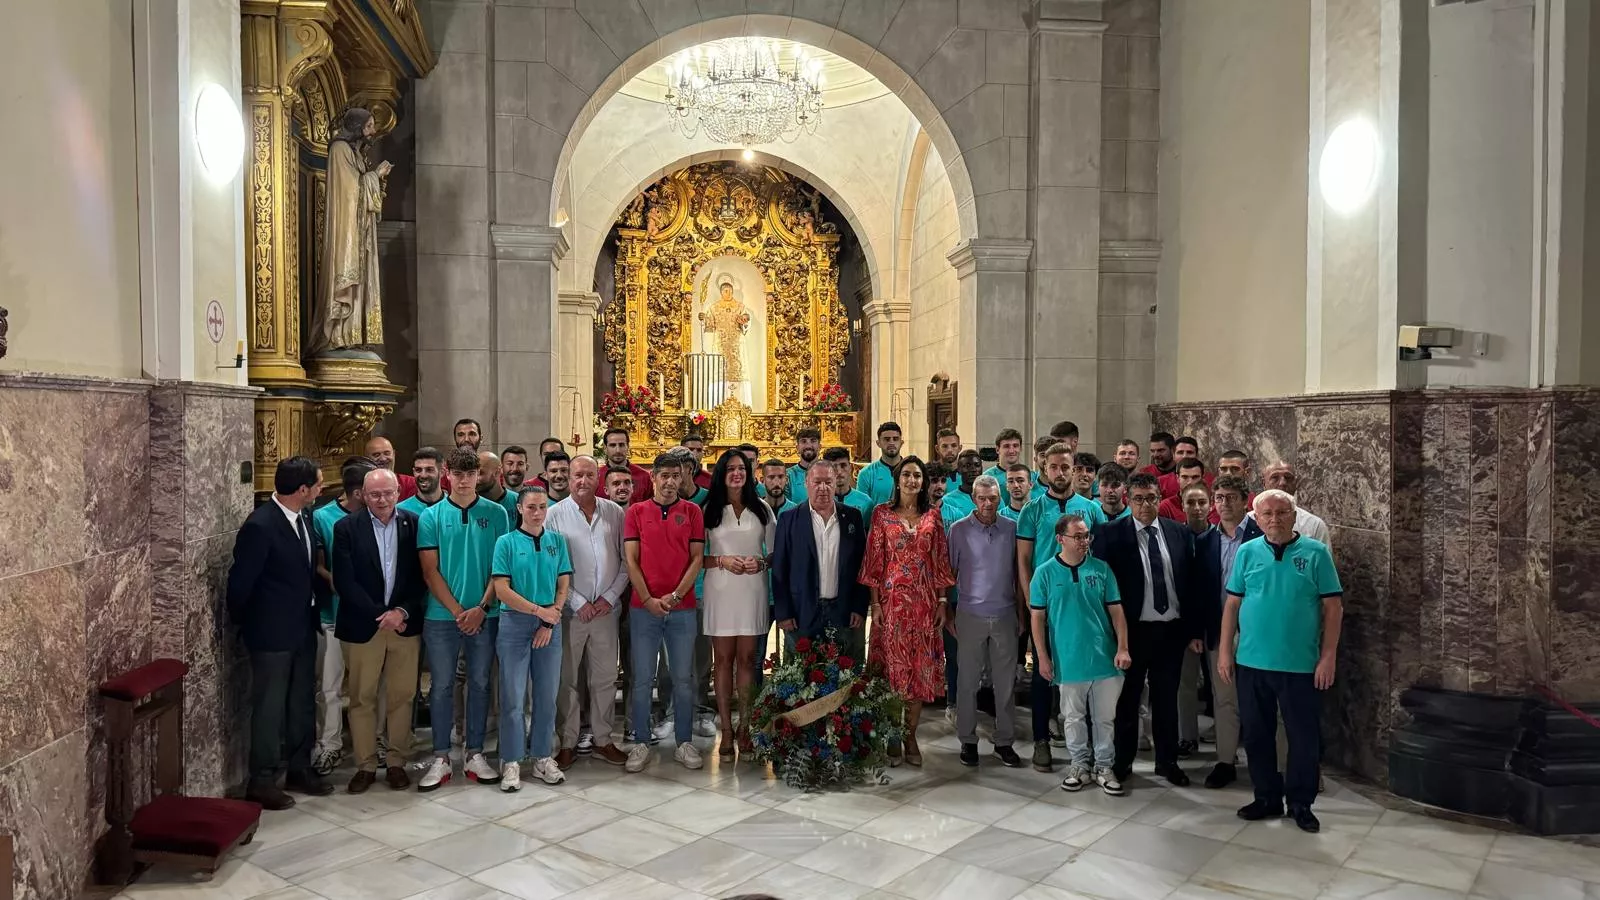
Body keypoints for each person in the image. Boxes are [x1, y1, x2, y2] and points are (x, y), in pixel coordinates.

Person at [1218, 489, 1344, 833]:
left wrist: (1328, 657)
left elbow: (1333, 608)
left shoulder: (1316, 554)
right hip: (1252, 662)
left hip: (1300, 665)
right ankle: (1266, 797)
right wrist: (1226, 651)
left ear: (1294, 516)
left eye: (1282, 512)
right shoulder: (1247, 552)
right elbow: (1232, 604)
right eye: (1267, 514)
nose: (1274, 519)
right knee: (1256, 735)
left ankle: (1301, 803)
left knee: (1303, 738)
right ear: (1257, 519)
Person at [226, 456, 331, 809]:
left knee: (301, 700)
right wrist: (249, 624)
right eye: (318, 484)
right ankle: (262, 779)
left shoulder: (305, 517)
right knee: (270, 707)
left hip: (302, 626)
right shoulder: (261, 525)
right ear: (302, 489)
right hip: (271, 633)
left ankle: (299, 767)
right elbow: (240, 584)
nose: (321, 489)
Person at [1092, 472, 1203, 787]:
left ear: (1160, 498)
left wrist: (1193, 629)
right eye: (1138, 499)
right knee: (1128, 699)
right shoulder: (1110, 534)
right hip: (1132, 632)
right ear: (1128, 500)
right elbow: (1102, 588)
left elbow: (1191, 583)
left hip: (1171, 631)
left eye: (1151, 498)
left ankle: (1167, 762)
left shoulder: (1179, 532)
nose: (1145, 505)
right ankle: (1122, 762)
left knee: (1167, 699)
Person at [416, 448, 510, 791]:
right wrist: (459, 612)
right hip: (443, 616)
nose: (465, 480)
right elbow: (430, 571)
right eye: (458, 474)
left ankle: (474, 753)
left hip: (486, 613)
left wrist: (481, 608)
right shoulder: (432, 516)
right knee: (441, 685)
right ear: (448, 474)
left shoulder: (497, 513)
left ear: (479, 476)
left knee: (481, 683)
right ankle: (441, 756)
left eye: (471, 474)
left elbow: (501, 568)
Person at [332, 468, 426, 793]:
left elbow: (422, 576)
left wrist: (401, 612)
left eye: (387, 493)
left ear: (398, 492)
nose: (382, 500)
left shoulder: (414, 524)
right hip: (363, 626)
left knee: (403, 695)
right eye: (375, 494)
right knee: (362, 697)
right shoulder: (346, 528)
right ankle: (366, 765)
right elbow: (345, 581)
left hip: (404, 625)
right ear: (363, 495)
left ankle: (397, 762)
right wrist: (380, 615)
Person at [861, 456, 955, 767]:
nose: (912, 480)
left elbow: (940, 560)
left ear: (923, 481)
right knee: (893, 670)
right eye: (907, 475)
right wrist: (876, 604)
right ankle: (892, 734)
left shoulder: (933, 516)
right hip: (891, 605)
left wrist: (942, 602)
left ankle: (910, 735)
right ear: (897, 480)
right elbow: (873, 562)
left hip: (925, 605)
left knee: (918, 670)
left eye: (917, 475)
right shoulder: (882, 514)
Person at [1029, 514, 1131, 795]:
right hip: (1068, 658)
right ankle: (1079, 765)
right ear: (1060, 539)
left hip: (1103, 657)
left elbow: (1117, 611)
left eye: (1087, 535)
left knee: (1104, 718)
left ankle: (1104, 766)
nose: (1084, 541)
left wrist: (1123, 647)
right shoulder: (1045, 573)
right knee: (1072, 717)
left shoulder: (1101, 569)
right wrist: (1043, 657)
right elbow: (1037, 618)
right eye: (1078, 536)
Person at [622, 454, 706, 772]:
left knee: (683, 678)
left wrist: (676, 595)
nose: (670, 481)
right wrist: (647, 599)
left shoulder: (693, 511)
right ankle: (641, 742)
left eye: (676, 475)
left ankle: (684, 742)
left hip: (682, 608)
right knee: (643, 677)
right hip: (644, 608)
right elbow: (631, 560)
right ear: (653, 477)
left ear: (682, 477)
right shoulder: (637, 512)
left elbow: (696, 558)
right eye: (665, 475)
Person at [549, 456, 630, 768]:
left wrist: (609, 597)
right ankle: (568, 741)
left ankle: (603, 739)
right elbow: (551, 566)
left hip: (606, 610)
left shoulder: (614, 513)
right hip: (572, 612)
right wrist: (577, 601)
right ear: (569, 478)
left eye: (589, 475)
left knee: (605, 677)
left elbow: (627, 561)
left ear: (599, 478)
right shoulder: (555, 515)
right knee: (567, 678)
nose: (583, 481)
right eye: (577, 475)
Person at [490, 485, 573, 790]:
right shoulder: (506, 543)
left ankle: (541, 756)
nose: (537, 513)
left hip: (550, 623)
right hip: (515, 623)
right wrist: (539, 612)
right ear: (520, 509)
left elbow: (563, 583)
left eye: (542, 507)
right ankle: (511, 760)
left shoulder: (556, 541)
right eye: (531, 507)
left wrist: (551, 617)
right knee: (513, 696)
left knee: (546, 695)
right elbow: (502, 589)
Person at [700, 449, 776, 761]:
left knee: (747, 660)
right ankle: (727, 729)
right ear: (721, 473)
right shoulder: (709, 509)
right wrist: (722, 560)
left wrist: (762, 563)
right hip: (720, 590)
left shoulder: (762, 509)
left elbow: (775, 552)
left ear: (749, 473)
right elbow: (695, 557)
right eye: (731, 468)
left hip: (752, 589)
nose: (737, 473)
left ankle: (745, 726)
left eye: (742, 468)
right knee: (722, 660)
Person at [947, 475, 1024, 769]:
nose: (987, 504)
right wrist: (948, 610)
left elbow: (1018, 574)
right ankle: (967, 740)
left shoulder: (1011, 528)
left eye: (992, 498)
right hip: (970, 613)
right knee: (967, 681)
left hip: (1005, 613)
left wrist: (1021, 614)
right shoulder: (958, 530)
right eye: (982, 498)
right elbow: (948, 575)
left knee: (1005, 683)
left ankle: (1004, 741)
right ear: (973, 499)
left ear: (999, 498)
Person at [310, 460, 374, 774]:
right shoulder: (322, 517)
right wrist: (338, 582)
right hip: (333, 614)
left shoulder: (380, 515)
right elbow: (318, 565)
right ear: (359, 493)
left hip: (371, 617)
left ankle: (372, 745)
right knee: (329, 686)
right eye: (373, 491)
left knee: (369, 688)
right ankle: (329, 746)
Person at [773, 462, 870, 653]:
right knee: (801, 669)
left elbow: (862, 565)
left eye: (828, 482)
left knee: (844, 668)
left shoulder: (853, 517)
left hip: (843, 611)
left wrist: (859, 607)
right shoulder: (788, 519)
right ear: (806, 483)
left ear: (835, 483)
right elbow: (780, 569)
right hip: (801, 611)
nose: (823, 488)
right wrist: (784, 612)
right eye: (817, 482)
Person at [1198, 474, 1251, 789]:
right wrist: (1198, 631)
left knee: (1260, 700)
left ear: (1245, 501)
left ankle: (1271, 762)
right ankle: (1225, 761)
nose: (1225, 503)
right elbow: (1199, 591)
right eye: (1219, 497)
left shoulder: (1260, 535)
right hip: (1219, 631)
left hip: (1256, 632)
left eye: (1231, 497)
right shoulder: (1206, 540)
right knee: (1225, 698)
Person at [1248, 462, 1331, 547]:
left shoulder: (1314, 525)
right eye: (1275, 478)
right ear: (1264, 483)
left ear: (1296, 483)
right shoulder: (1248, 521)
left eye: (1288, 478)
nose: (1282, 483)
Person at [598, 427, 653, 503]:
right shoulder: (597, 476)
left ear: (628, 446)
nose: (618, 450)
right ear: (605, 448)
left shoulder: (644, 476)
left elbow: (651, 506)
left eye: (621, 445)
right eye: (613, 445)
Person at [857, 421, 905, 506]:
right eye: (887, 439)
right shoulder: (866, 474)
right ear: (878, 443)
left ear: (901, 442)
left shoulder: (913, 472)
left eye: (895, 439)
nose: (891, 443)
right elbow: (861, 507)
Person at [823, 446, 874, 524]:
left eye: (843, 465)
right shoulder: (817, 502)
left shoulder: (865, 502)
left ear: (850, 467)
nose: (839, 471)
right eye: (833, 467)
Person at [366, 435, 418, 500]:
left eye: (387, 453)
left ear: (393, 454)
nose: (383, 459)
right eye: (376, 455)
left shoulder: (411, 484)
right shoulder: (362, 486)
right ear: (367, 459)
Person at [940, 448, 982, 528]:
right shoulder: (948, 501)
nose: (973, 469)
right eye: (967, 466)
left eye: (977, 465)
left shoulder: (994, 497)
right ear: (959, 470)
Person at [398, 447, 445, 516]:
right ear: (413, 472)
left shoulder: (455, 507)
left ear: (442, 472)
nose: (423, 475)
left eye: (429, 470)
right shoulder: (400, 511)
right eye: (418, 470)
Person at [786, 426, 822, 504]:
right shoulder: (787, 475)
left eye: (813, 441)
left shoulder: (829, 473)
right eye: (803, 441)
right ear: (797, 447)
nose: (808, 446)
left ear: (820, 446)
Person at [934, 428, 962, 493]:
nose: (950, 450)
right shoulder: (928, 473)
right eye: (945, 446)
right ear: (937, 449)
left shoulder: (968, 473)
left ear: (960, 448)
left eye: (954, 446)